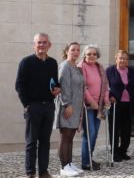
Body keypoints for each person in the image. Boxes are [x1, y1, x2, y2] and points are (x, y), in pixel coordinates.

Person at [15, 33, 61, 178]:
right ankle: (30, 172)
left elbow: (54, 82)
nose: (41, 45)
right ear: (34, 45)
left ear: (49, 45)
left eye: (44, 42)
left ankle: (43, 171)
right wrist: (27, 105)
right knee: (31, 142)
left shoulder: (53, 63)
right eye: (39, 42)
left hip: (48, 106)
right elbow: (19, 85)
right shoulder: (26, 62)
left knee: (45, 142)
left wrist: (57, 89)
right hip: (33, 107)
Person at [106, 50, 134, 162]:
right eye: (120, 58)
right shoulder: (109, 71)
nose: (123, 60)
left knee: (127, 129)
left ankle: (123, 151)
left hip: (129, 104)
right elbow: (105, 87)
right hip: (115, 104)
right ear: (116, 58)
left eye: (125, 58)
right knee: (115, 129)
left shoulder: (132, 71)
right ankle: (115, 152)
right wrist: (110, 96)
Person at [78, 44, 110, 171]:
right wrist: (92, 102)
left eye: (94, 54)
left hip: (99, 106)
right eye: (89, 54)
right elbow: (83, 87)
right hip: (87, 106)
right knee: (89, 133)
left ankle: (89, 159)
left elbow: (105, 85)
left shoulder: (99, 67)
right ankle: (85, 162)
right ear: (84, 55)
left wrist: (106, 100)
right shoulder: (82, 67)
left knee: (94, 134)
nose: (92, 56)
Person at [55, 42, 85, 177]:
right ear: (67, 51)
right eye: (73, 50)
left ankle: (69, 163)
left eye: (78, 50)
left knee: (71, 137)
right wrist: (67, 105)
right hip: (67, 106)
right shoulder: (65, 66)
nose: (76, 52)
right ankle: (64, 166)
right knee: (65, 136)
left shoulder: (77, 68)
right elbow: (64, 87)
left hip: (76, 107)